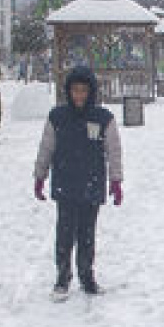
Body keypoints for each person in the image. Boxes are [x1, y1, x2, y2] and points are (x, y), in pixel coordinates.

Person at [34, 63, 123, 298]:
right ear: (68, 91)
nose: (79, 95)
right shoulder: (58, 117)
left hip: (92, 185)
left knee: (87, 235)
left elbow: (113, 150)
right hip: (65, 184)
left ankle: (87, 276)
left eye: (84, 90)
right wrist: (39, 176)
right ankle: (62, 278)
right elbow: (46, 147)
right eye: (75, 90)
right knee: (64, 234)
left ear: (91, 91)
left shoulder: (103, 118)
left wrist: (116, 180)